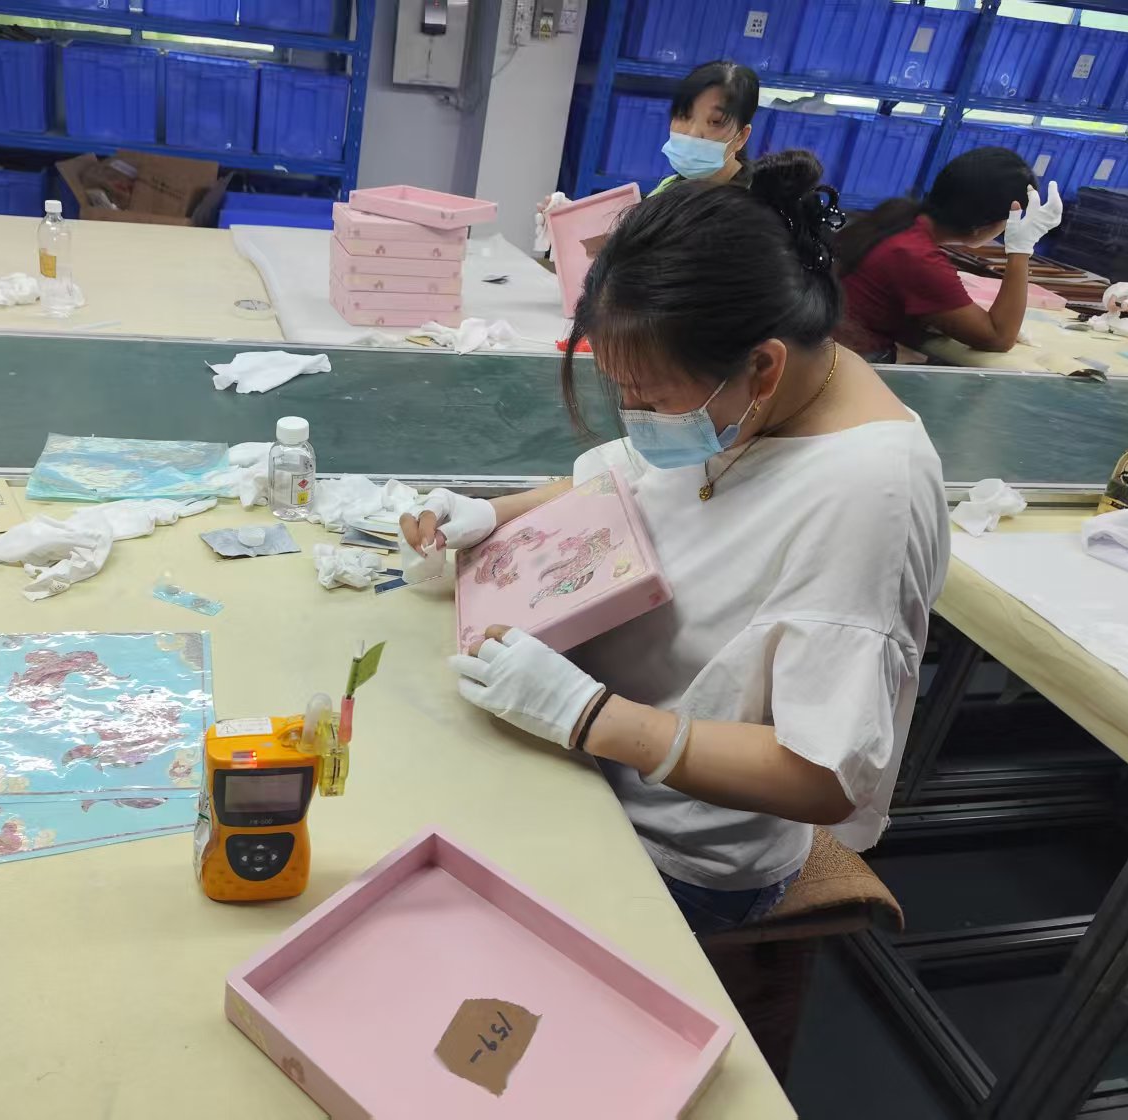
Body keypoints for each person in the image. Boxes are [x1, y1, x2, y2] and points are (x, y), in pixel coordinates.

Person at [402, 152, 949, 934]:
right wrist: (493, 515)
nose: (637, 418)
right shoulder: (761, 391)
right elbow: (633, 480)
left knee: (427, 917)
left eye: (651, 398)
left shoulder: (869, 494)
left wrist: (590, 715)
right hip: (581, 749)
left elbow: (825, 776)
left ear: (762, 367)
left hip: (678, 847)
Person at [835, 147, 1063, 361]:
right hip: (845, 362)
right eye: (1008, 221)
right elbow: (998, 337)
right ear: (983, 223)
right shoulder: (917, 256)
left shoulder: (899, 219)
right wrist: (1020, 250)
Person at [652, 60, 760, 193]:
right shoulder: (668, 187)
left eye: (715, 122)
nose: (693, 133)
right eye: (684, 115)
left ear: (741, 137)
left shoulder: (754, 202)